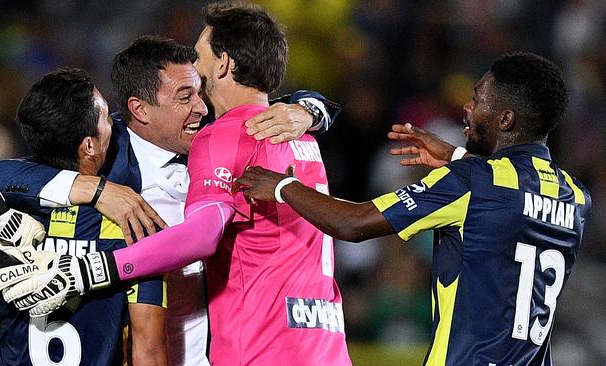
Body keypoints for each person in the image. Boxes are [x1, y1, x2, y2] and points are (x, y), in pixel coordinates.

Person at [0, 3, 352, 365]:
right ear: (140, 110)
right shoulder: (106, 149)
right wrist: (97, 189)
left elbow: (202, 234)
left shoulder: (227, 134)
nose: (200, 107)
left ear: (224, 63)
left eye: (200, 69)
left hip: (249, 347)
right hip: (313, 344)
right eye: (185, 97)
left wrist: (312, 109)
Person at [233, 52, 591, 365]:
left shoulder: (471, 181)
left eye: (478, 99)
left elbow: (354, 223)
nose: (468, 107)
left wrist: (282, 186)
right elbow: (514, 193)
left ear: (506, 120)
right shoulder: (576, 198)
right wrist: (456, 157)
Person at [0, 68, 168, 365]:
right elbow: (148, 348)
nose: (116, 125)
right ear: (89, 145)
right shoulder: (129, 221)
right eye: (107, 116)